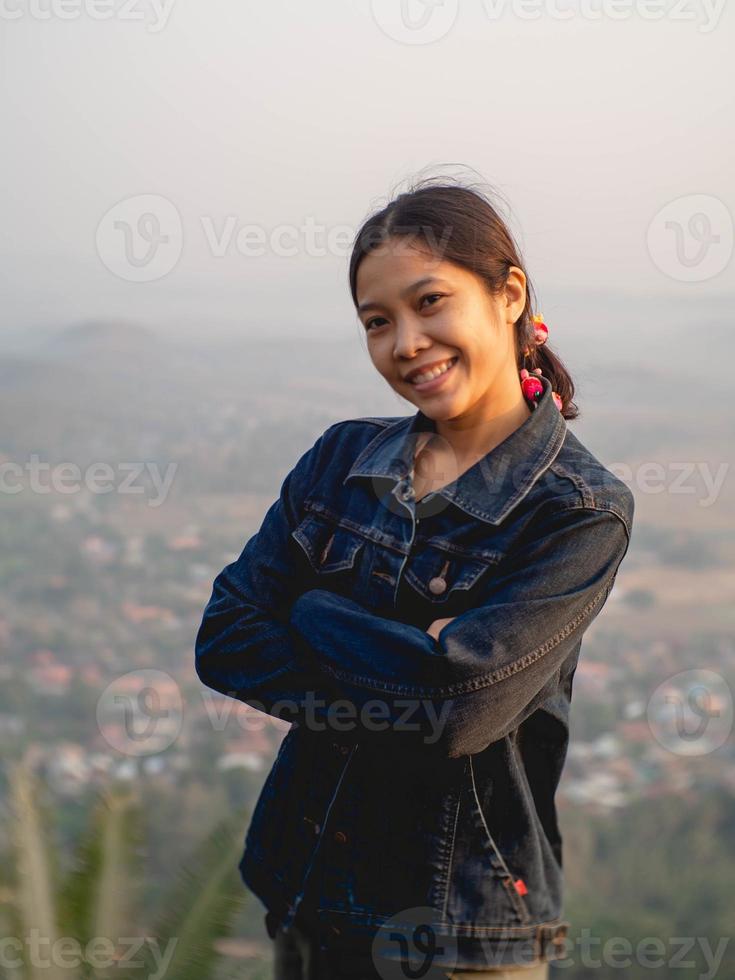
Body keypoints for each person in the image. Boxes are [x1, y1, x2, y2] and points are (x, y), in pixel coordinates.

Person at [194, 175, 635, 979]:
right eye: (377, 321)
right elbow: (223, 639)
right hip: (307, 891)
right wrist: (412, 657)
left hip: (459, 930)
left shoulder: (577, 510)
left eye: (429, 302)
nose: (405, 342)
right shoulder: (340, 460)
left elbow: (459, 712)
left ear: (508, 295)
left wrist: (312, 611)